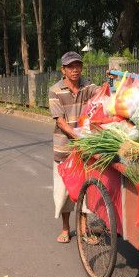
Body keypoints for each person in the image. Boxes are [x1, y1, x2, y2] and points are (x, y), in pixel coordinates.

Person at [49, 51, 98, 243]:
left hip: (85, 149)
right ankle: (65, 228)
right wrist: (77, 134)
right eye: (70, 67)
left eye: (78, 65)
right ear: (63, 70)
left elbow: (103, 95)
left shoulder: (88, 86)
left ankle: (84, 230)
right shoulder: (55, 90)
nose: (75, 70)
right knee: (64, 190)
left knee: (86, 189)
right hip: (64, 149)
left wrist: (112, 82)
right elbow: (60, 121)